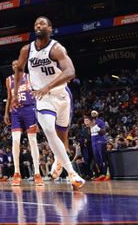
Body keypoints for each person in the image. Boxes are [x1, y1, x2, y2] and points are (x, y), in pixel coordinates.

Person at [12, 17, 85, 190]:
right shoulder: (26, 50)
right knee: (50, 131)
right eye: (36, 23)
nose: (38, 25)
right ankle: (72, 174)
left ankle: (59, 160)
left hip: (61, 96)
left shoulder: (57, 49)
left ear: (50, 29)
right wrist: (15, 93)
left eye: (42, 23)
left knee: (62, 137)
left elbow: (71, 72)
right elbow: (20, 69)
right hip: (42, 98)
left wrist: (48, 86)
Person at [4, 60, 43, 186]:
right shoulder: (9, 79)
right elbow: (9, 97)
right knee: (15, 141)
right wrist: (6, 113)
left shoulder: (29, 77)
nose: (15, 66)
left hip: (29, 109)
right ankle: (16, 173)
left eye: (17, 65)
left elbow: (36, 94)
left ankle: (37, 173)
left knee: (32, 141)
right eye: (13, 65)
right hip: (15, 112)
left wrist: (37, 113)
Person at [88, 110, 109, 180]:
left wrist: (96, 127)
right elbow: (90, 133)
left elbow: (103, 131)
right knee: (97, 159)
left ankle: (106, 174)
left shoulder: (100, 121)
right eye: (92, 113)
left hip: (100, 141)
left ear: (97, 114)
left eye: (94, 113)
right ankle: (100, 174)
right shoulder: (90, 122)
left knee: (102, 158)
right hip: (93, 142)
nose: (93, 114)